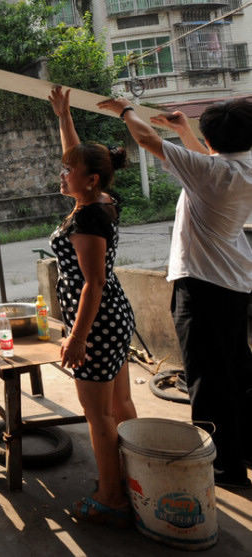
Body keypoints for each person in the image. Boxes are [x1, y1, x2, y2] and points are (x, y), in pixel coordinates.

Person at [97, 95, 252, 489]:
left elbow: (148, 140)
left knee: (207, 380)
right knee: (236, 374)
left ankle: (223, 467)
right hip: (234, 284)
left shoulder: (213, 172)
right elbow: (209, 161)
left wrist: (125, 110)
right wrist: (184, 130)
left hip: (204, 287)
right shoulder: (240, 167)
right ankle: (244, 449)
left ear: (211, 138)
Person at [49, 86, 138, 526]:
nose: (62, 174)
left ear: (91, 180)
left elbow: (93, 283)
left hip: (97, 323)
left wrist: (76, 337)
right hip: (116, 318)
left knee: (97, 413)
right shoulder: (104, 201)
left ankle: (112, 496)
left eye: (69, 171)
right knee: (120, 406)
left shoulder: (87, 217)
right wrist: (64, 117)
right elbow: (80, 157)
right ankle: (130, 479)